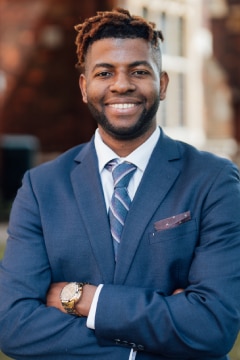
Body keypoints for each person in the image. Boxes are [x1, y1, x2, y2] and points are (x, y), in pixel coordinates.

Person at [0, 7, 240, 360]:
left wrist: (82, 298)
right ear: (84, 87)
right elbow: (13, 326)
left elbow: (211, 326)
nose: (121, 84)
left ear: (162, 84)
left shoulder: (213, 180)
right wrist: (147, 345)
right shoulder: (41, 187)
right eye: (104, 72)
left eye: (139, 71)